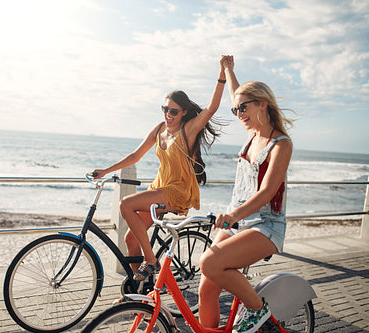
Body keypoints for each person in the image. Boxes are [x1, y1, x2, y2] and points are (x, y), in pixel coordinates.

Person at [92, 57, 226, 281]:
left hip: (178, 190)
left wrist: (222, 72)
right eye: (165, 109)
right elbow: (135, 155)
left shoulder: (188, 130)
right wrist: (106, 170)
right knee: (130, 240)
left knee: (125, 205)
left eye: (173, 111)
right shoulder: (159, 129)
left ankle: (151, 261)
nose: (168, 115)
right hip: (160, 187)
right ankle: (139, 292)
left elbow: (212, 108)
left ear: (183, 112)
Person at [198, 55, 294, 333]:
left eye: (244, 108)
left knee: (209, 262)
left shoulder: (280, 145)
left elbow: (267, 192)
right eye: (235, 110)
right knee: (206, 288)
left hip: (266, 226)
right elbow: (236, 95)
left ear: (263, 103)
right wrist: (228, 69)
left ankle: (258, 309)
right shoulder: (252, 134)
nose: (239, 113)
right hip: (238, 222)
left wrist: (233, 215)